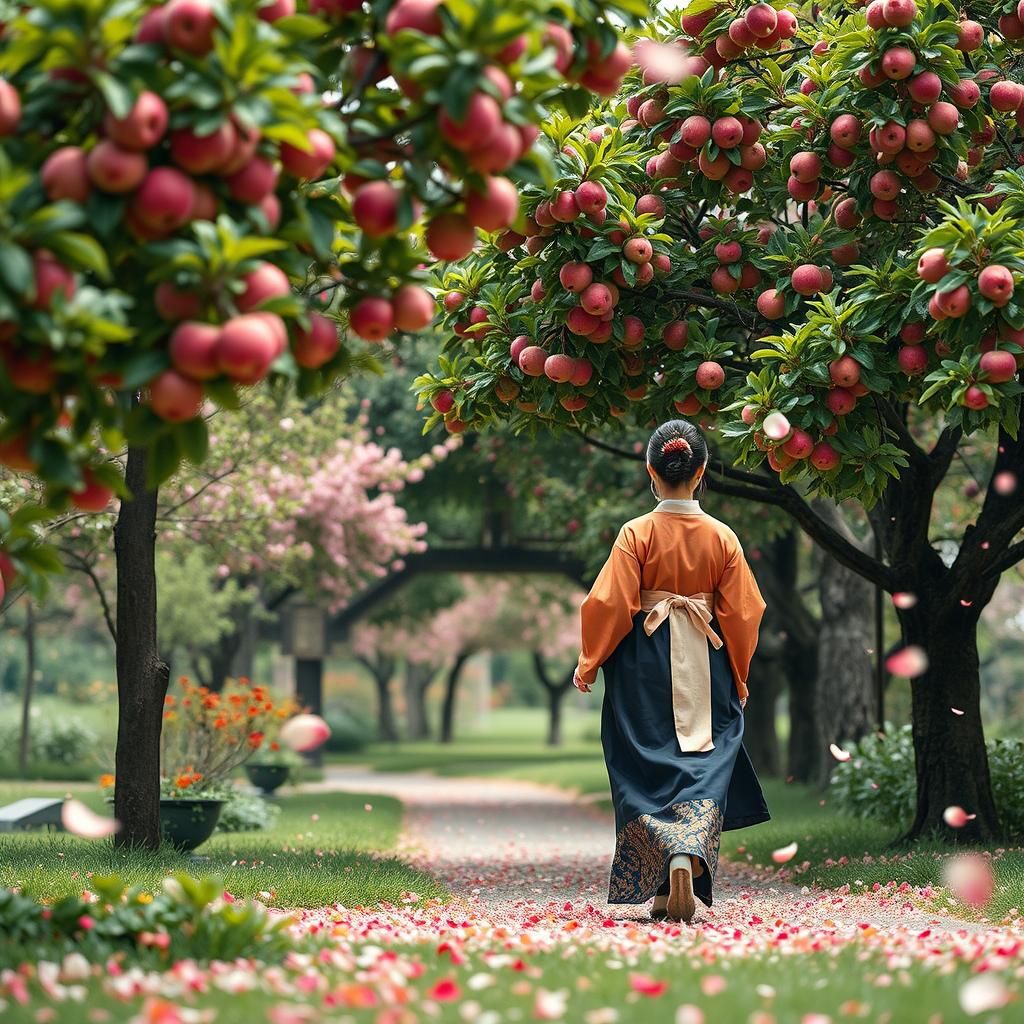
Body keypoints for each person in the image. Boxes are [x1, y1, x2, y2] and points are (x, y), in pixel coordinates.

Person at [573, 418, 771, 923]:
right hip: (705, 658)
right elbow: (744, 613)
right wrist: (740, 674)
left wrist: (590, 661)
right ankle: (685, 858)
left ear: (650, 471)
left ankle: (665, 869)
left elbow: (609, 603)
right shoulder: (722, 537)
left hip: (642, 659)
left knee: (643, 759)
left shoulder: (636, 533)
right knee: (702, 756)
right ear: (701, 471)